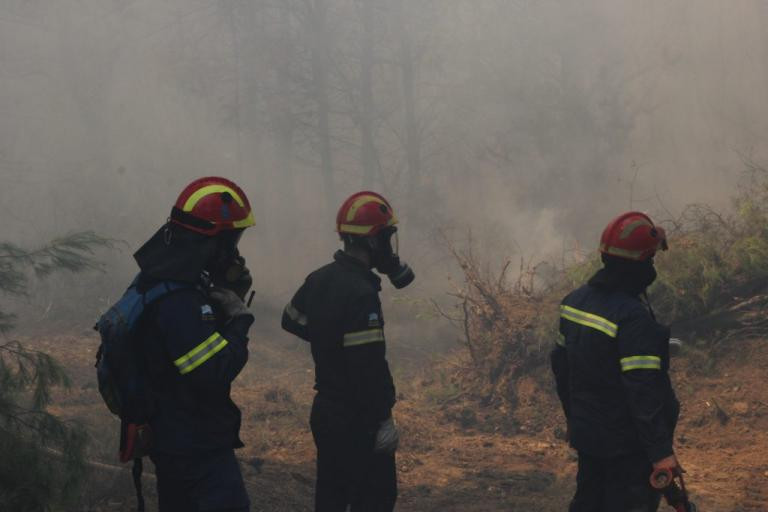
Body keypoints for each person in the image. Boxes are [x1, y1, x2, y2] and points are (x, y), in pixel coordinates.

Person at [282, 191, 415, 512]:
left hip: (326, 412)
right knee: (375, 499)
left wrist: (328, 341)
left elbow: (291, 319)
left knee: (332, 498)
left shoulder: (320, 278)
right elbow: (367, 367)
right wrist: (383, 418)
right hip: (357, 420)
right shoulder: (361, 293)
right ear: (372, 241)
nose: (389, 247)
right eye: (386, 238)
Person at [134, 177, 256, 511]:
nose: (234, 253)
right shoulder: (181, 301)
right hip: (196, 445)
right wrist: (239, 319)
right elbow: (214, 372)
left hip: (173, 438)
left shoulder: (162, 281)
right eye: (231, 241)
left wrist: (222, 302)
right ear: (212, 242)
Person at [551, 211, 682, 512]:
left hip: (589, 436)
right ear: (641, 265)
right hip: (627, 446)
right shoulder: (633, 319)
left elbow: (561, 367)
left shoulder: (574, 302)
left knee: (588, 503)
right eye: (651, 259)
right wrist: (660, 453)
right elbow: (643, 392)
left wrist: (574, 419)